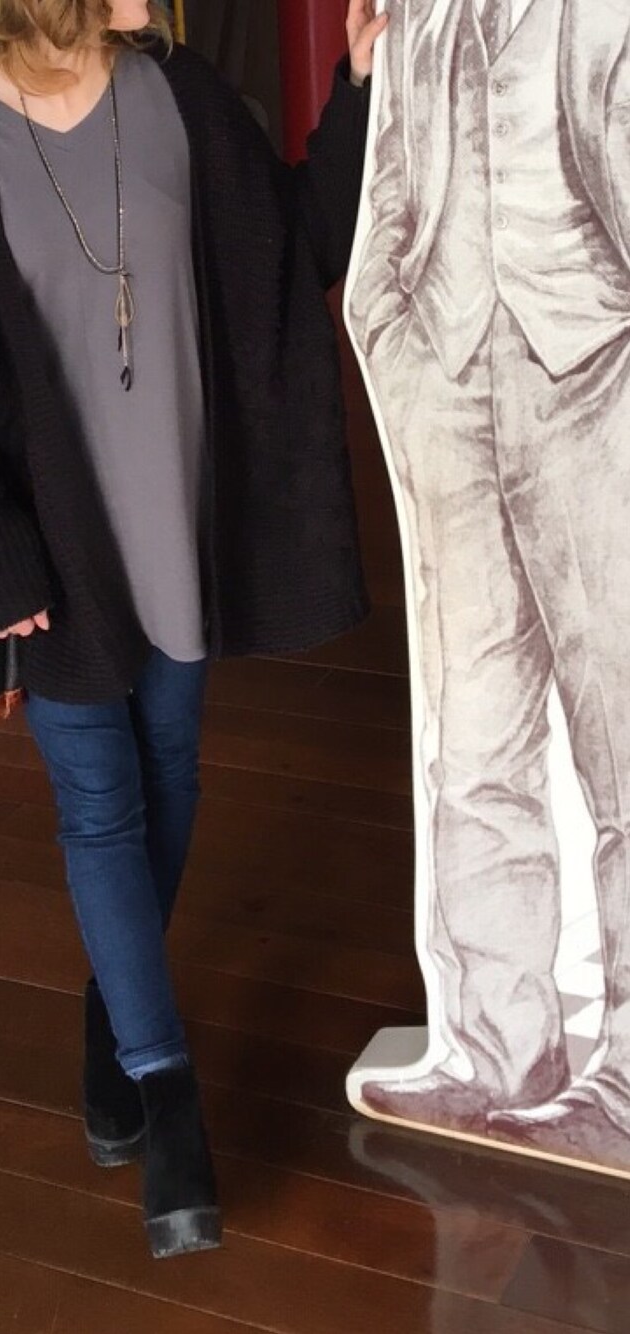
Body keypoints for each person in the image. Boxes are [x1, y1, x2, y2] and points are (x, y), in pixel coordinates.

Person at [0, 0, 385, 1257]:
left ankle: (114, 1010)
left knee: (169, 770)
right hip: (49, 535)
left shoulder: (178, 94)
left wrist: (358, 90)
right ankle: (166, 1089)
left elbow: (299, 242)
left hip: (177, 510)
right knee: (100, 803)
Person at [348, 0, 630, 1171]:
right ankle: (495, 1051)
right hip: (447, 382)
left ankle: (624, 1074)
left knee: (621, 740)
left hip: (593, 378)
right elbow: (393, 189)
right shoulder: (415, 13)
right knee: (471, 737)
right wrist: (393, 331)